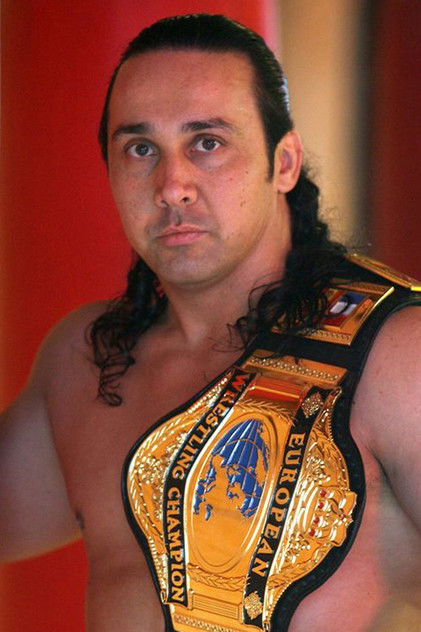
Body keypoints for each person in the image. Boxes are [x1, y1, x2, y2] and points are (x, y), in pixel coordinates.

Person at [1, 13, 420, 632]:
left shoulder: (395, 354)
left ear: (284, 163)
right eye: (140, 149)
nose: (172, 185)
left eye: (207, 142)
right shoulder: (86, 362)